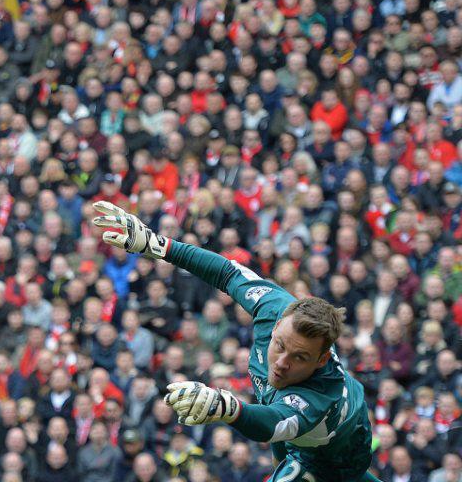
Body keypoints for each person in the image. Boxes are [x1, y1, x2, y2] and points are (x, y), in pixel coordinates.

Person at [92, 201, 376, 481]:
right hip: (289, 429)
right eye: (280, 345)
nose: (281, 362)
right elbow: (226, 271)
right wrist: (157, 245)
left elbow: (270, 424)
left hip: (334, 458)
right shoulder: (274, 305)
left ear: (321, 359)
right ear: (277, 324)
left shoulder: (320, 392)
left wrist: (226, 407)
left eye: (299, 357)